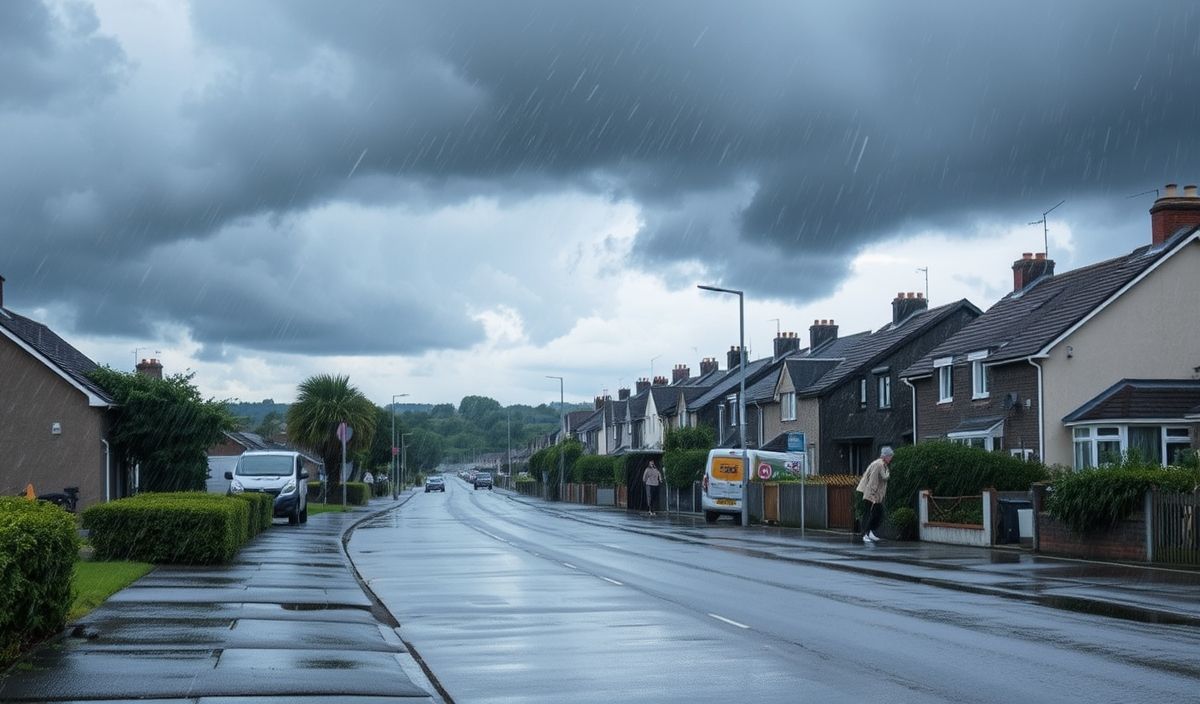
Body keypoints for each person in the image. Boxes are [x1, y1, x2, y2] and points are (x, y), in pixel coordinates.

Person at [856, 446, 893, 543]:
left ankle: (870, 532)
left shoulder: (883, 465)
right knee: (869, 514)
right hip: (871, 495)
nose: (891, 458)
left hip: (876, 496)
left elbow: (883, 479)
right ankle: (865, 534)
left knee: (878, 514)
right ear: (885, 456)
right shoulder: (878, 465)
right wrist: (872, 496)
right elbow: (873, 481)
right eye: (890, 456)